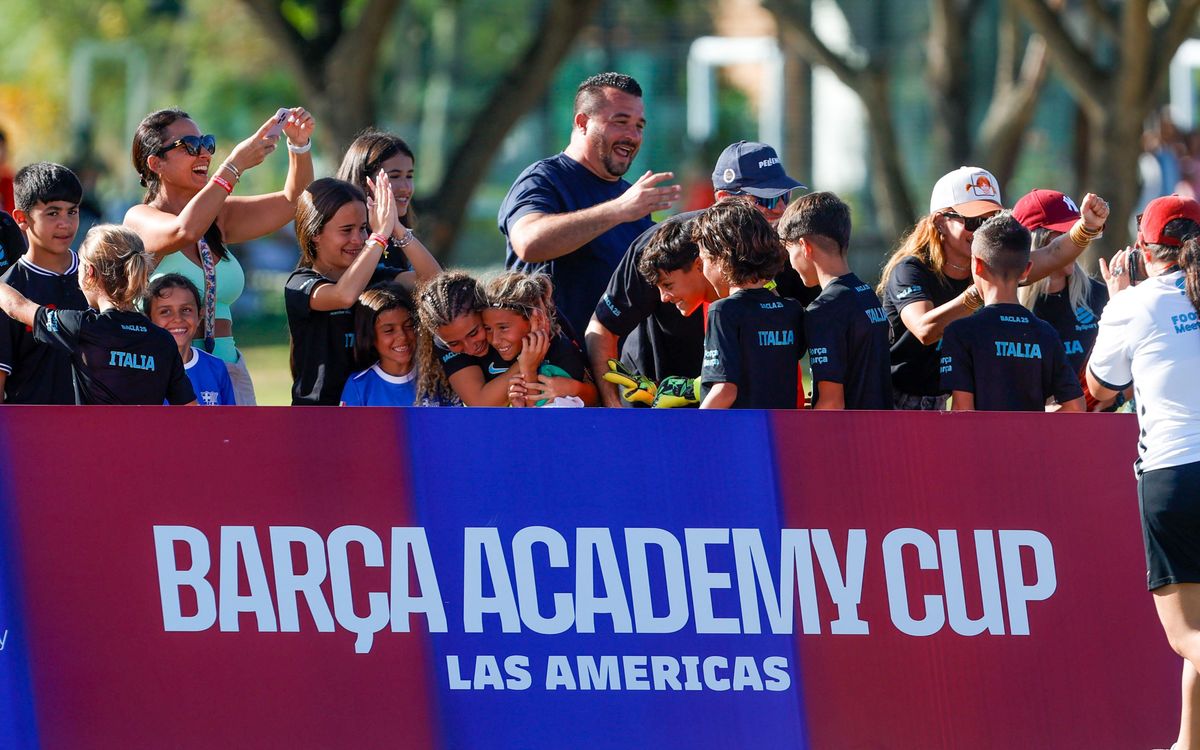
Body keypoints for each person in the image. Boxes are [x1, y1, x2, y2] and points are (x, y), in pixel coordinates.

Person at [1085, 195, 1200, 750]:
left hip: (1175, 475)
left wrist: (1119, 301)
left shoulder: (1135, 304)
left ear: (1142, 251)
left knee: (1186, 635)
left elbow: (1099, 391)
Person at [586, 140, 810, 407]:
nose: (779, 209)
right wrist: (615, 413)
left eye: (784, 196)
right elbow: (602, 327)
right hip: (655, 407)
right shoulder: (663, 247)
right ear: (724, 200)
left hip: (729, 416)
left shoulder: (788, 249)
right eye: (766, 199)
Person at [124, 106, 316, 405]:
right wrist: (234, 165)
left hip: (224, 370)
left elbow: (295, 203)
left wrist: (299, 146)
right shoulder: (139, 219)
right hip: (165, 374)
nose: (204, 154)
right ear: (155, 163)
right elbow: (182, 231)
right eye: (190, 146)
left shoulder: (219, 216)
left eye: (207, 144)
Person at [879, 166, 1109, 409]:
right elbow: (924, 330)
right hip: (891, 398)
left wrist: (1088, 227)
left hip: (938, 399)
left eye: (990, 220)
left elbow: (1052, 254)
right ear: (939, 222)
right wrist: (982, 290)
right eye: (973, 221)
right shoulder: (911, 270)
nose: (982, 230)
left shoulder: (987, 265)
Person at [499, 72, 680, 338]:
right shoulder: (542, 180)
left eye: (639, 126)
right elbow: (528, 242)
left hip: (611, 371)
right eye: (620, 122)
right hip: (549, 370)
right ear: (583, 122)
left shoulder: (631, 198)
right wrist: (617, 210)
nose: (633, 135)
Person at [0, 224, 194, 405]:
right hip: (146, 441)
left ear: (89, 274)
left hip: (91, 441)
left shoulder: (81, 327)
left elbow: (16, 306)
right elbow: (191, 410)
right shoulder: (163, 340)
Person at [287, 175, 414, 406]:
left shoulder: (375, 276)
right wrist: (378, 237)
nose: (358, 239)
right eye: (346, 230)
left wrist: (396, 228)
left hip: (372, 411)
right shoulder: (300, 284)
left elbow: (434, 282)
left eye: (363, 228)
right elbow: (344, 296)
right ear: (315, 234)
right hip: (318, 419)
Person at [938, 212, 1083, 412]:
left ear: (977, 265)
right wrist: (1035, 429)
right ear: (1027, 269)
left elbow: (963, 411)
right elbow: (1075, 407)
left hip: (982, 443)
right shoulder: (1045, 332)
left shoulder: (960, 332)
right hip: (1033, 443)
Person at [777, 191, 892, 410]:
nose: (790, 264)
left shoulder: (823, 310)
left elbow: (832, 402)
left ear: (805, 247)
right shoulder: (865, 294)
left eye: (788, 252)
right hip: (880, 433)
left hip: (847, 438)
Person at [693, 201, 803, 409]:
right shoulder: (791, 310)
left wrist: (699, 433)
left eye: (703, 261)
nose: (703, 271)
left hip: (739, 436)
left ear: (719, 258)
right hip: (779, 434)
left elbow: (724, 390)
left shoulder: (723, 311)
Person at [1013, 188, 1113, 410]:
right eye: (1064, 237)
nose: (1074, 248)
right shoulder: (1005, 303)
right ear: (1035, 242)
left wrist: (1102, 403)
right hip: (1026, 430)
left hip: (1092, 431)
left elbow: (1124, 371)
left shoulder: (1100, 296)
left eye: (1078, 236)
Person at [0, 163, 88, 404]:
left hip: (94, 432)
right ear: (22, 218)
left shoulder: (96, 277)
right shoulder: (8, 290)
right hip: (29, 434)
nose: (65, 223)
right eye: (52, 212)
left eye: (72, 211)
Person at [336, 130, 441, 281]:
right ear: (365, 183)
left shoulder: (399, 238)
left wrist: (397, 228)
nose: (406, 187)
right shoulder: (348, 241)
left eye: (409, 176)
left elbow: (437, 282)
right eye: (395, 176)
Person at [482, 272, 596, 407]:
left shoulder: (561, 354)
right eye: (487, 328)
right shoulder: (485, 350)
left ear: (535, 319)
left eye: (503, 328)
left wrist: (528, 370)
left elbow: (539, 419)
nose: (494, 340)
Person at [413, 271, 514, 407]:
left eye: (473, 333)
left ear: (483, 309)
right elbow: (479, 403)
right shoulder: (444, 340)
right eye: (454, 343)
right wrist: (525, 363)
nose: (470, 348)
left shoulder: (509, 312)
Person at [146, 273, 236, 406]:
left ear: (200, 316)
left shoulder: (216, 367)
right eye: (165, 311)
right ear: (148, 320)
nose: (177, 319)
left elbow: (230, 422)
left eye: (186, 309)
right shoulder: (141, 368)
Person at [340, 285, 422, 407]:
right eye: (389, 330)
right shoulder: (359, 385)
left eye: (409, 326)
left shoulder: (437, 376)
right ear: (369, 336)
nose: (402, 336)